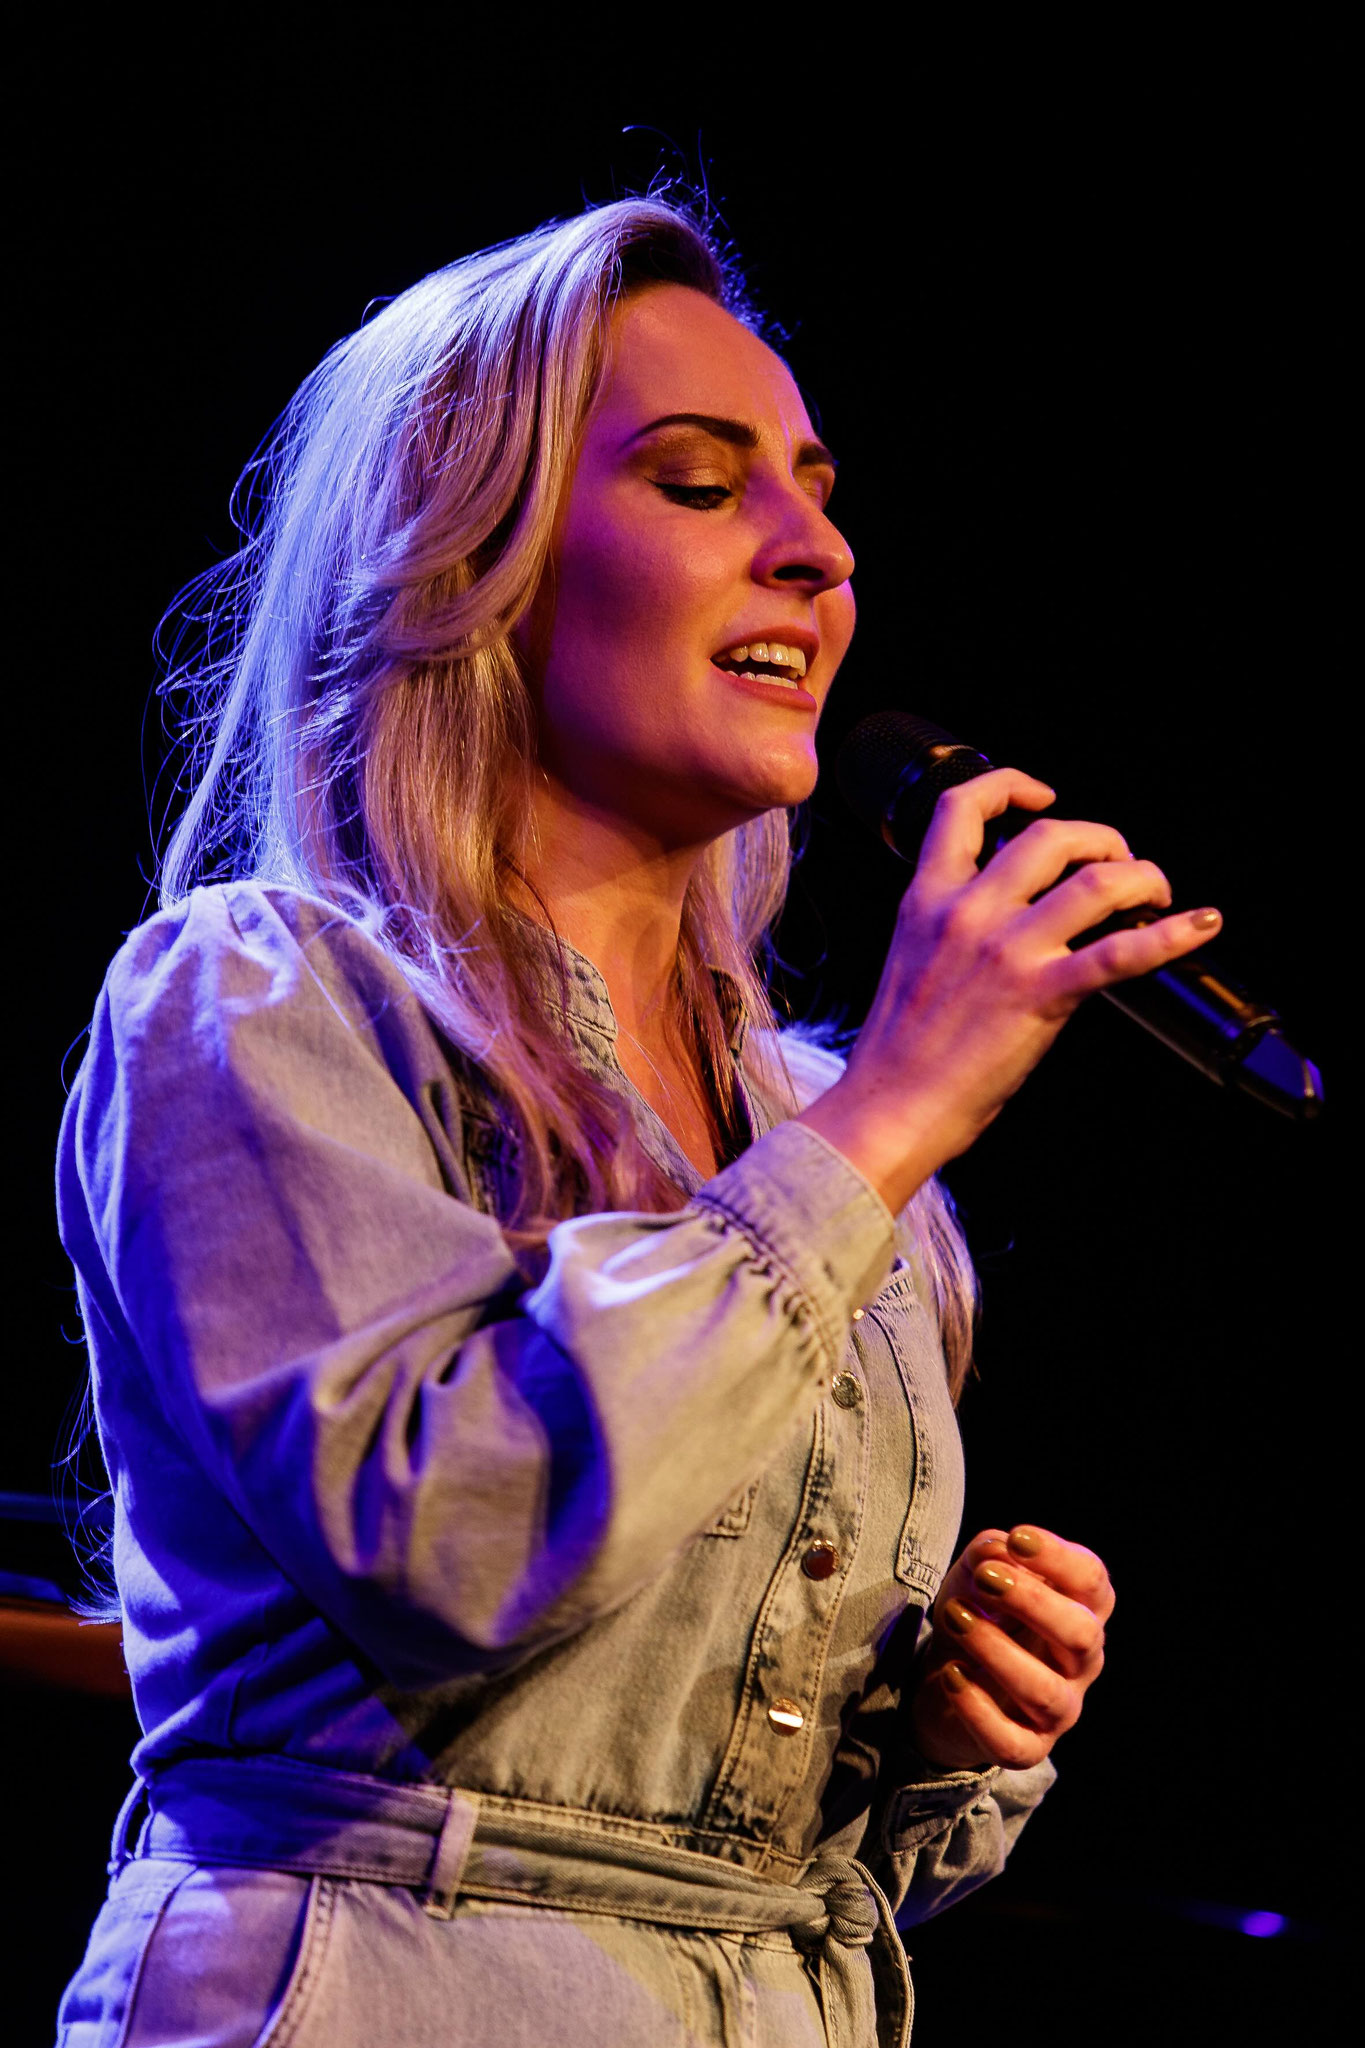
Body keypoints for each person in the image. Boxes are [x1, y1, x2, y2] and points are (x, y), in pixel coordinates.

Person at [53, 195, 1220, 2047]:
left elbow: (740, 1797)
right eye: (696, 483)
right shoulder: (260, 999)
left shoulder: (805, 1117)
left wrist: (939, 1730)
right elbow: (448, 1546)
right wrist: (894, 1115)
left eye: (816, 492)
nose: (815, 551)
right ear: (469, 565)